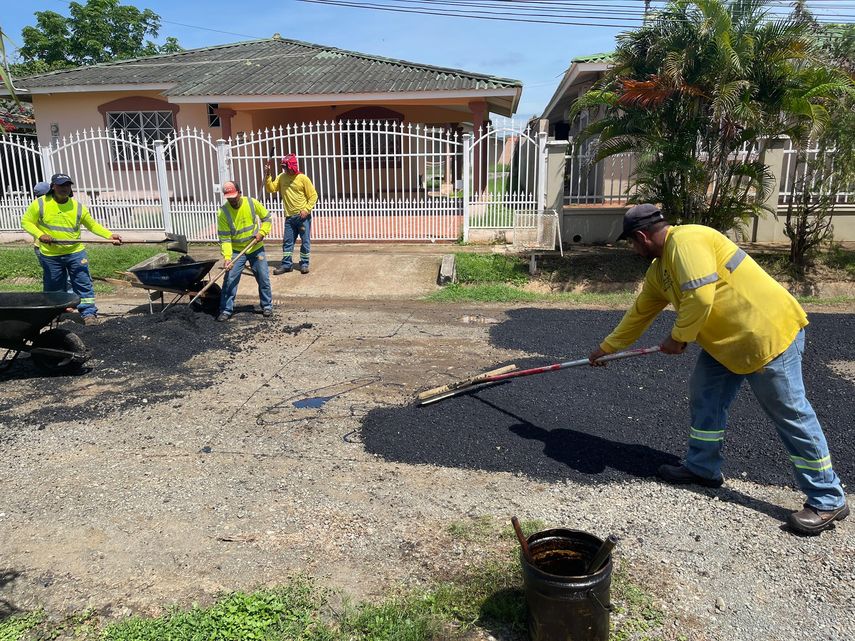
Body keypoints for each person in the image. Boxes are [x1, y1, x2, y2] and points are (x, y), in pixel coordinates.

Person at [588, 203, 848, 535]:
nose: (633, 248)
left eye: (632, 242)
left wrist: (678, 338)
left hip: (767, 335)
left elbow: (699, 298)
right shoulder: (659, 271)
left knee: (790, 413)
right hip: (726, 346)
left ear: (641, 237)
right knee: (705, 395)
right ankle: (703, 467)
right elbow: (639, 314)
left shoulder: (689, 241)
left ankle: (827, 497)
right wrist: (606, 348)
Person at [21, 173, 122, 325]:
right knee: (53, 286)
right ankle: (55, 313)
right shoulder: (40, 204)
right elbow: (26, 222)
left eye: (67, 185)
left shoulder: (77, 207)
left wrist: (109, 236)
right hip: (51, 255)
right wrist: (40, 234)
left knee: (83, 282)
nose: (65, 188)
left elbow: (92, 225)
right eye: (61, 185)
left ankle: (88, 313)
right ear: (53, 187)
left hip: (75, 253)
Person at [216, 181, 273, 322]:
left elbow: (267, 218)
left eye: (234, 197)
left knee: (263, 277)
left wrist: (262, 232)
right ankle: (226, 309)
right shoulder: (223, 212)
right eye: (229, 198)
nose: (233, 200)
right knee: (230, 280)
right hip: (236, 251)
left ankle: (267, 306)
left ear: (240, 193)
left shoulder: (251, 203)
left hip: (255, 247)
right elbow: (225, 239)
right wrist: (228, 257)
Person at [265, 153, 318, 275]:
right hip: (289, 217)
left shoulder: (303, 178)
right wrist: (268, 175)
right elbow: (271, 188)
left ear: (292, 166)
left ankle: (304, 263)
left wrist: (306, 209)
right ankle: (286, 265)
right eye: (283, 167)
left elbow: (313, 196)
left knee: (305, 241)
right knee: (287, 242)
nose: (285, 169)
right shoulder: (281, 177)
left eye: (286, 167)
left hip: (302, 217)